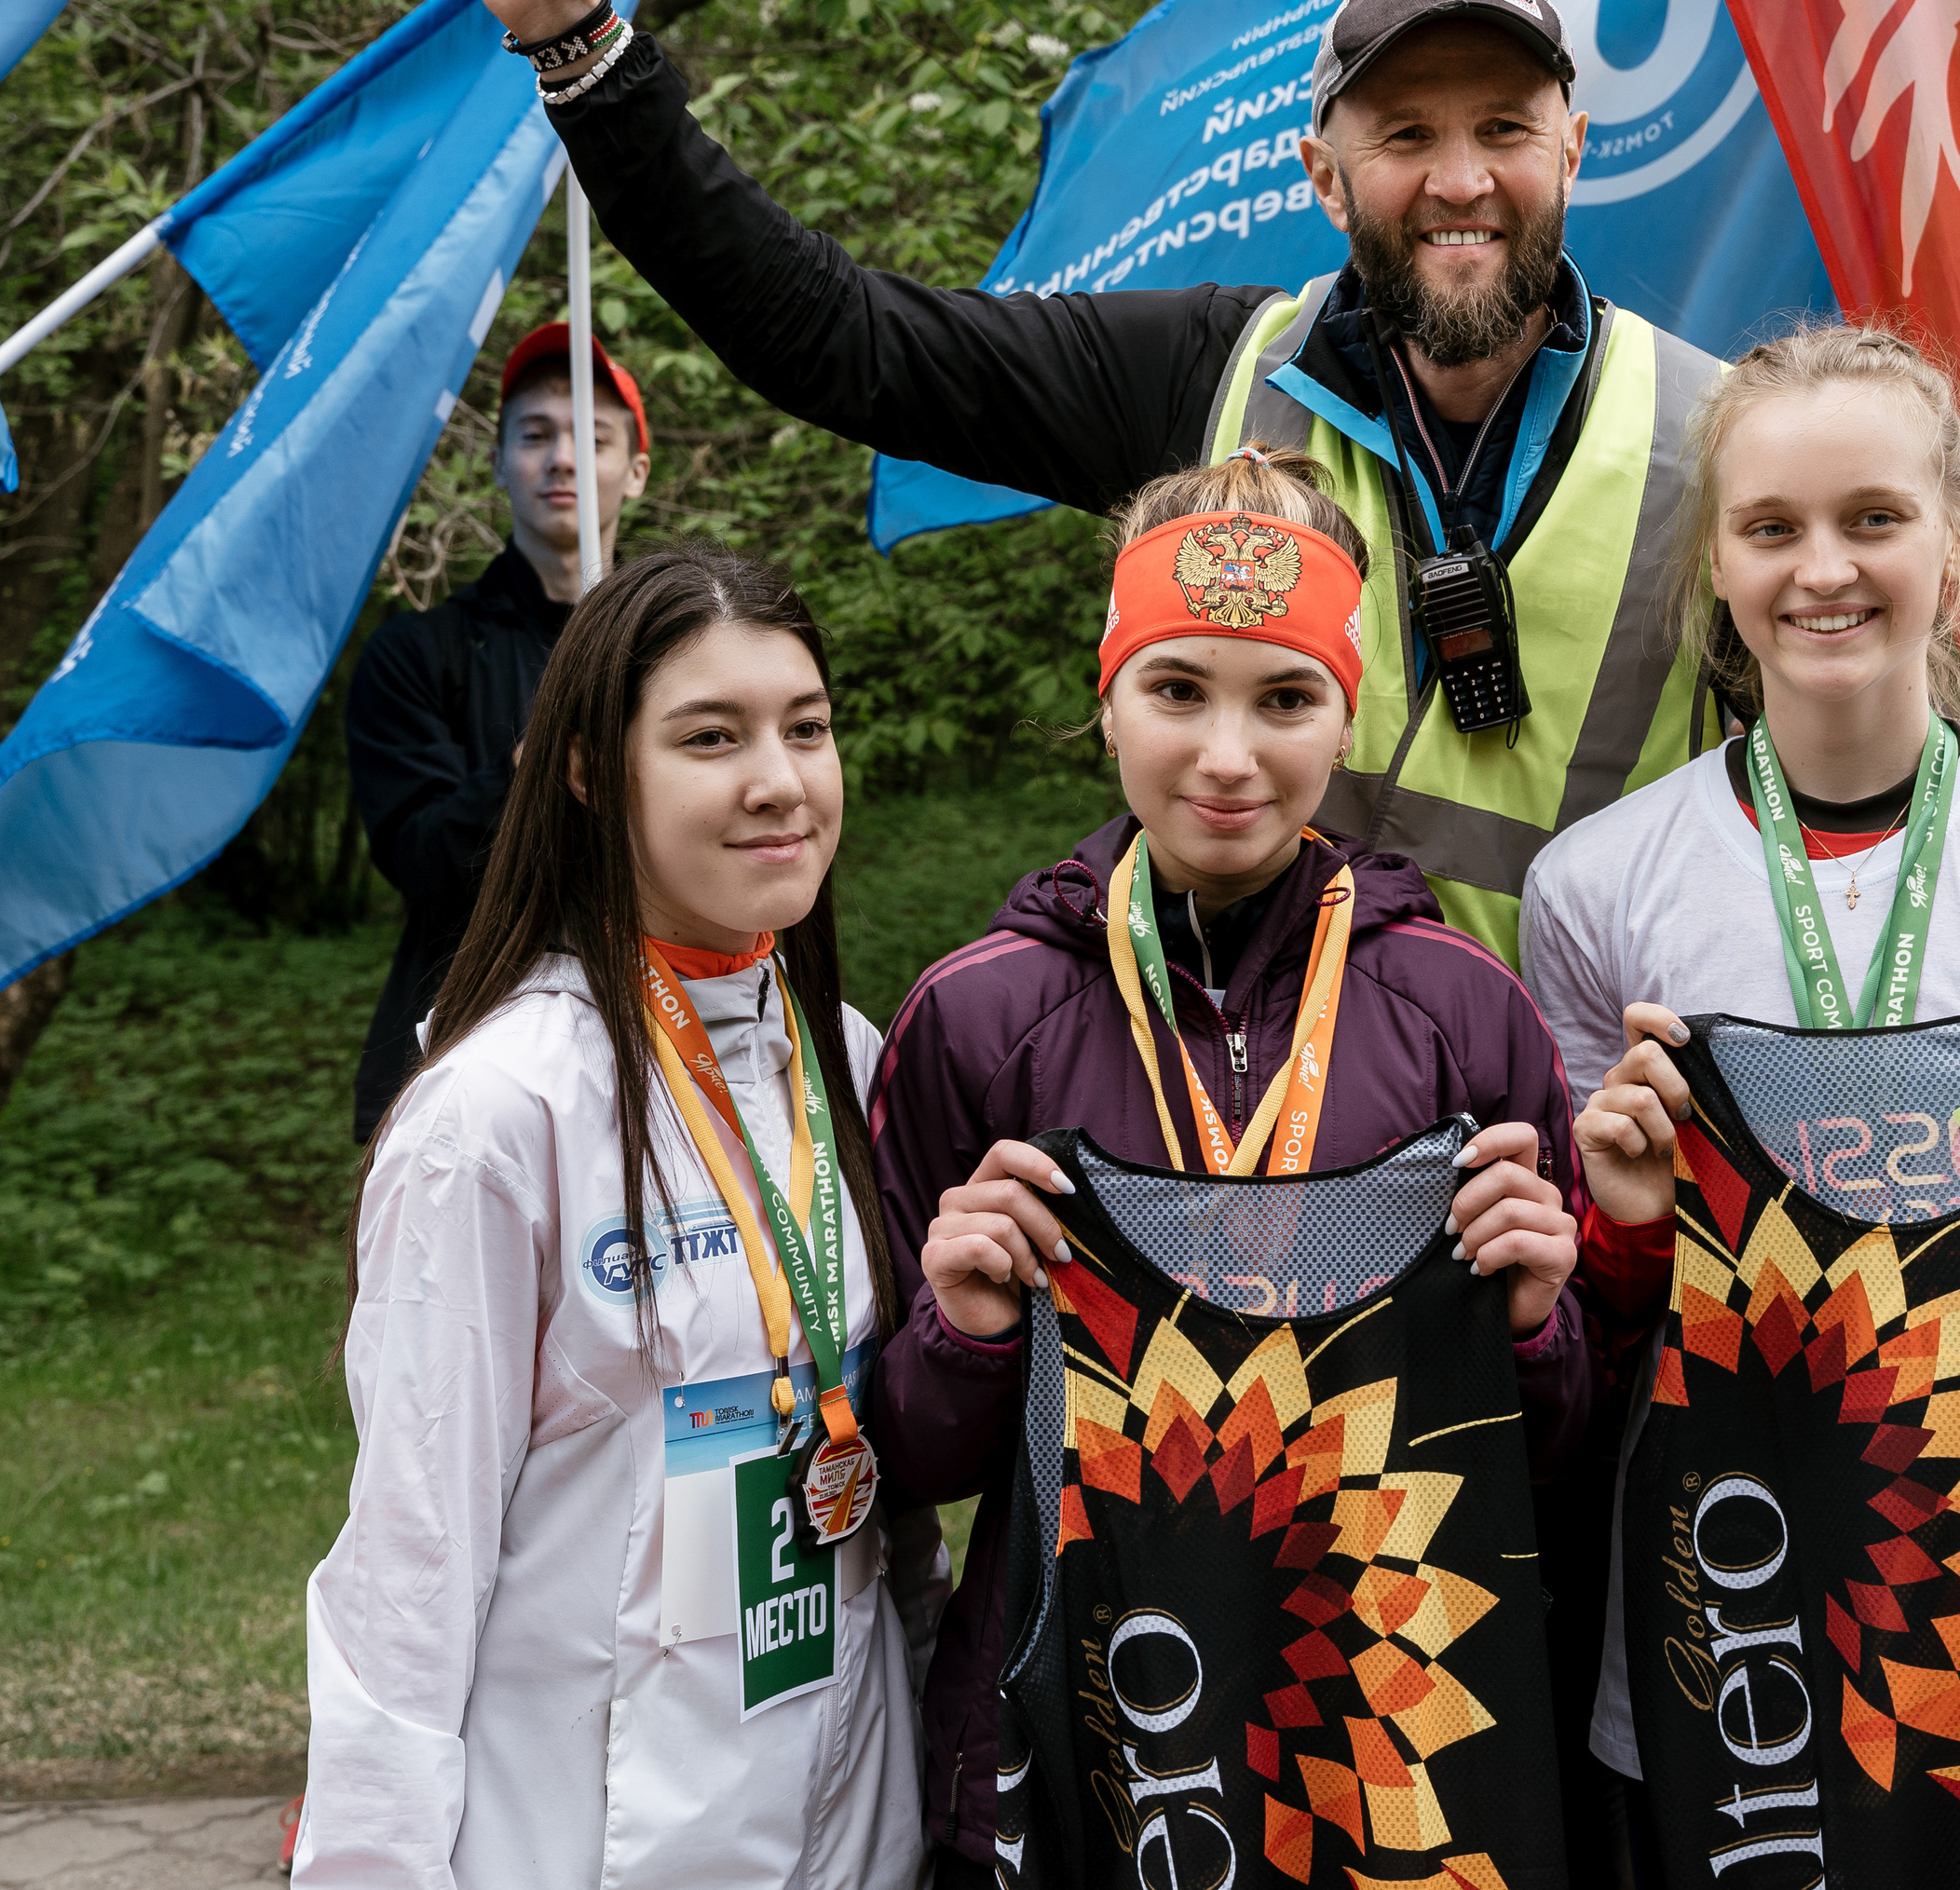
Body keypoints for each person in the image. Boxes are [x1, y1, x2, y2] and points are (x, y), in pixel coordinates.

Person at [401, 0, 1960, 1015]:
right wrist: (576, 43)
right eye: (1402, 133)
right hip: (1258, 1128)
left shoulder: (1723, 436)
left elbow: (1884, 734)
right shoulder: (1199, 387)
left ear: (1571, 149)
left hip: (1598, 1152)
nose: (1454, 176)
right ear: (1322, 170)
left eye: (1498, 127)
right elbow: (834, 334)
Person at [860, 446, 1667, 1888]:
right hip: (1086, 1727)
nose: (1228, 755)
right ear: (1104, 697)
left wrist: (1539, 1326)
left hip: (1387, 1719)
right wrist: (963, 1334)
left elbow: (1553, 1455)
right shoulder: (976, 1019)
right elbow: (904, 1463)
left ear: (1344, 716)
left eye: (1284, 698)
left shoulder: (1459, 1007)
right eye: (1178, 690)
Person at [1519, 327, 1960, 1890]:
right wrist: (1631, 1237)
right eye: (1771, 526)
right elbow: (1605, 1330)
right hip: (1736, 1642)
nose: (1822, 568)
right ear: (1713, 560)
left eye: (1874, 517)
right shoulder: (1595, 893)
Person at [298, 546, 921, 1889]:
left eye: (805, 727)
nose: (779, 779)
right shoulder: (496, 1115)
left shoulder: (851, 1060)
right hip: (586, 1840)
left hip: (859, 1824)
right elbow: (408, 1569)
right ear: (589, 770)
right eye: (711, 736)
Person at [346, 322, 650, 1140]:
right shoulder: (416, 653)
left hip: (662, 1051)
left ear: (636, 470)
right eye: (535, 435)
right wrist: (542, 760)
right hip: (468, 1064)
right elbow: (422, 860)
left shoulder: (680, 657)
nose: (562, 459)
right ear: (498, 462)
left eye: (593, 437)